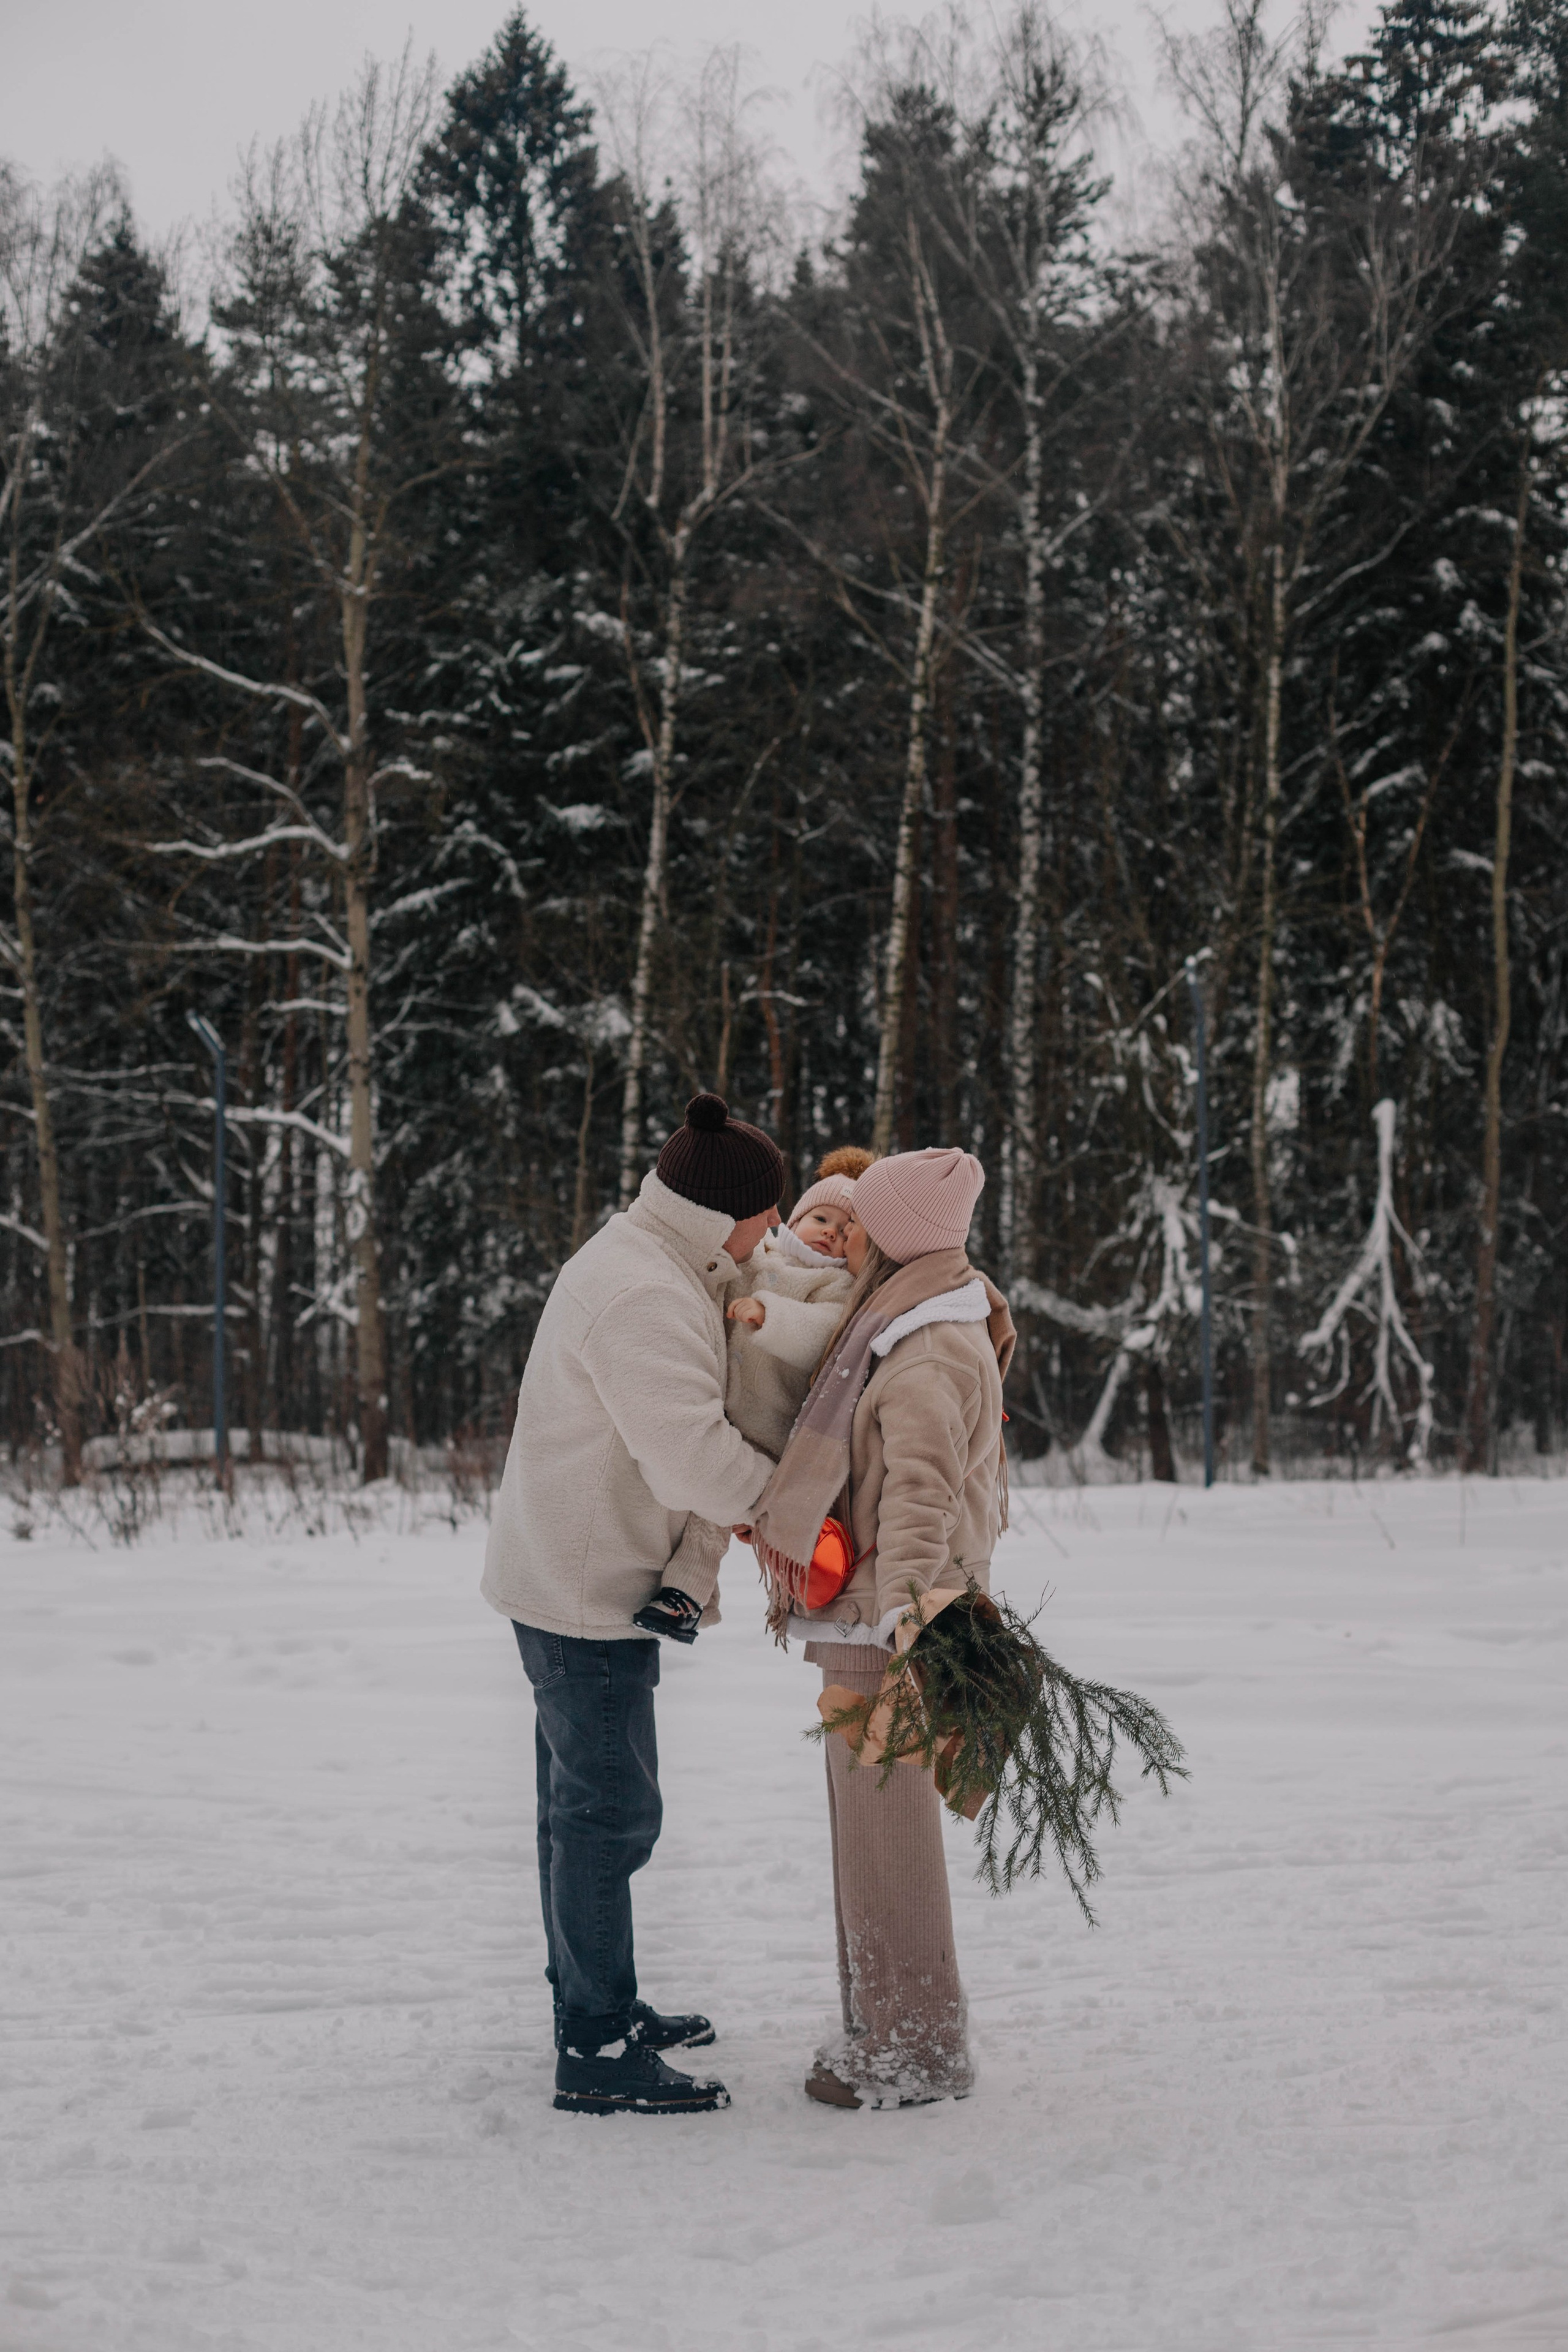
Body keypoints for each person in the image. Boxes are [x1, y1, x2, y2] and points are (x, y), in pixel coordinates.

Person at [481, 1091, 782, 2117]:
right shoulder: (645, 1294)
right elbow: (691, 1456)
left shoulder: (646, 1258)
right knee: (608, 1815)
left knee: (579, 1813)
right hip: (586, 1589)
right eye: (768, 1216)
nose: (775, 1235)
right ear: (723, 1216)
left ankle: (595, 2002)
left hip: (574, 1570)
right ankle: (597, 2050)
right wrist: (788, 1509)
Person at [744, 1145, 1014, 2111]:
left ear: (901, 1234)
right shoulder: (906, 1313)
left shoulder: (930, 1338)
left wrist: (905, 1613)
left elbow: (922, 1494)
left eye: (865, 1220)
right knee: (865, 1829)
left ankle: (914, 2050)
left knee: (887, 1835)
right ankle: (883, 2025)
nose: (846, 1231)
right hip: (868, 1614)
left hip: (889, 1623)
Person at [720, 1146, 871, 1461]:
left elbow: (826, 1332)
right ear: (797, 1218)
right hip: (716, 1404)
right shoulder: (761, 1251)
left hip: (768, 1424)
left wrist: (770, 1315)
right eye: (820, 1219)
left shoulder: (838, 1284)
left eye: (845, 1231)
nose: (830, 1232)